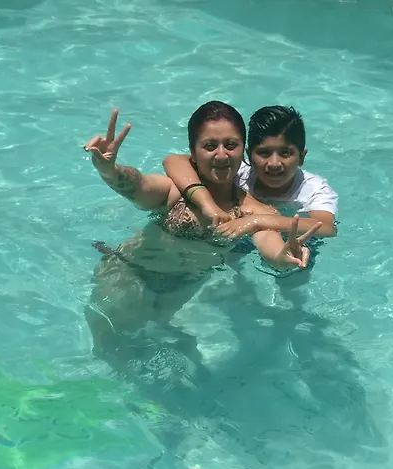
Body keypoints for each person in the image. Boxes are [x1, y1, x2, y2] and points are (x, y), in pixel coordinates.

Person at [81, 102, 321, 381]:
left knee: (146, 358)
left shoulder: (254, 212)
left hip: (180, 290)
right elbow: (137, 185)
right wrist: (109, 170)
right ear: (193, 153)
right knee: (110, 352)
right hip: (128, 276)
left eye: (230, 145)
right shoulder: (174, 191)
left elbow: (269, 246)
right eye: (209, 146)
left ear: (243, 151)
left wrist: (284, 256)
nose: (221, 154)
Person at [162, 105, 338, 240]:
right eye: (264, 153)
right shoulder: (238, 172)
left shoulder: (314, 189)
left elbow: (327, 227)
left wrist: (257, 220)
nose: (274, 163)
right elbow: (174, 161)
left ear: (301, 157)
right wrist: (206, 202)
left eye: (285, 153)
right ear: (248, 155)